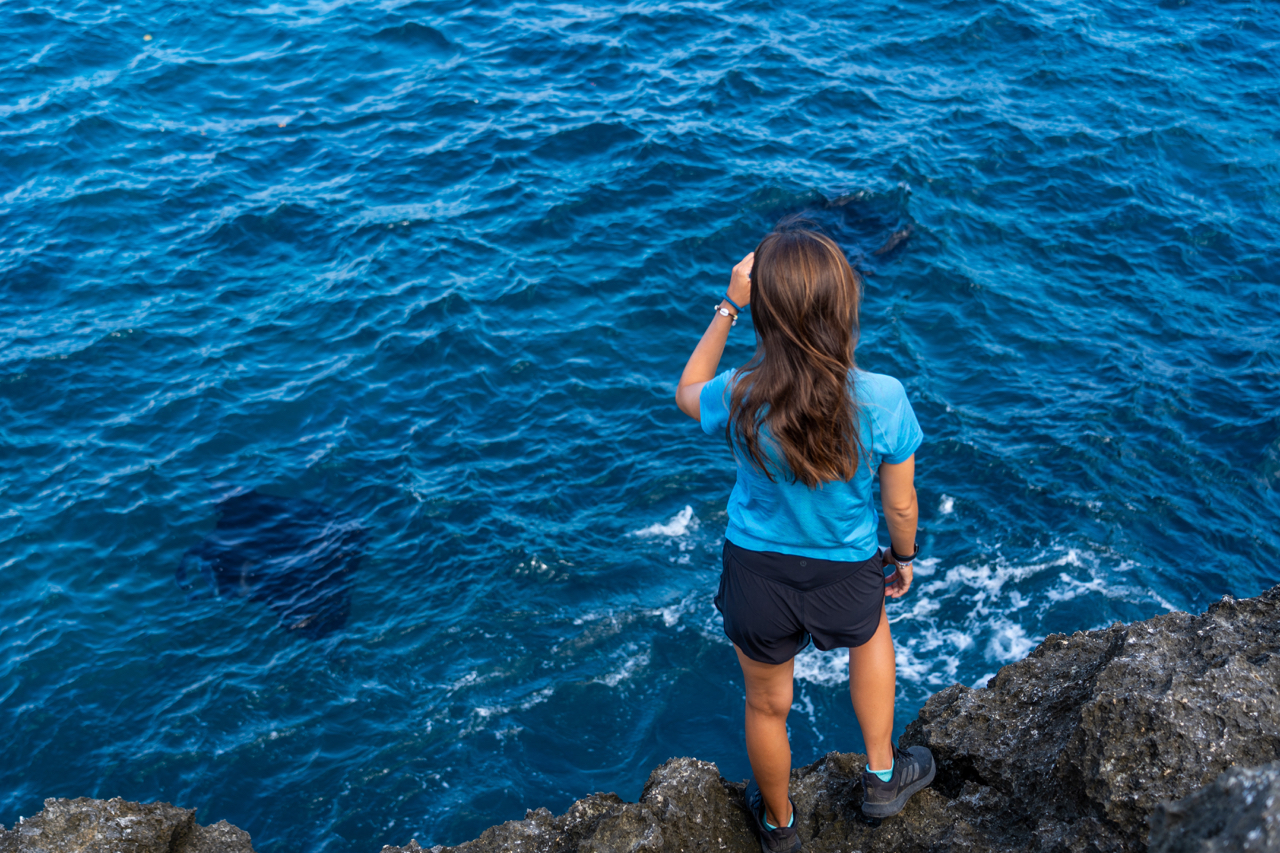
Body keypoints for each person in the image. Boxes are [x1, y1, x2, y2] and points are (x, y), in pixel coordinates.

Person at [674, 222, 935, 853]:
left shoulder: (740, 392)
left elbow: (685, 392)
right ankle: (881, 777)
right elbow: (899, 503)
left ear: (769, 312)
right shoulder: (882, 398)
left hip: (756, 576)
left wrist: (728, 305)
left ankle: (781, 825)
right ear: (843, 304)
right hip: (844, 571)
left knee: (766, 706)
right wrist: (902, 558)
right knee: (871, 636)